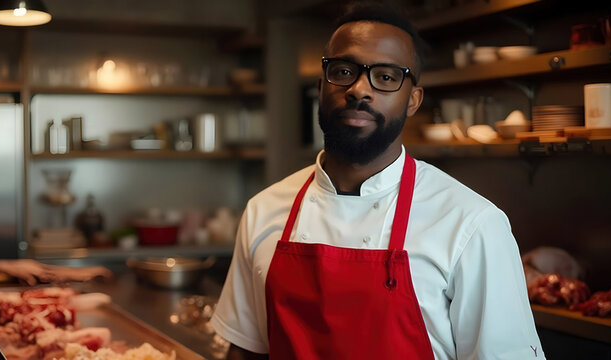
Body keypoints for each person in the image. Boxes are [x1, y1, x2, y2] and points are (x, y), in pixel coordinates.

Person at [211, 2, 544, 359]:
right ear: (321, 86)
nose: (359, 89)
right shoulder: (264, 210)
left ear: (413, 99)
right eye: (342, 71)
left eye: (385, 77)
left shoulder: (472, 224)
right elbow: (245, 351)